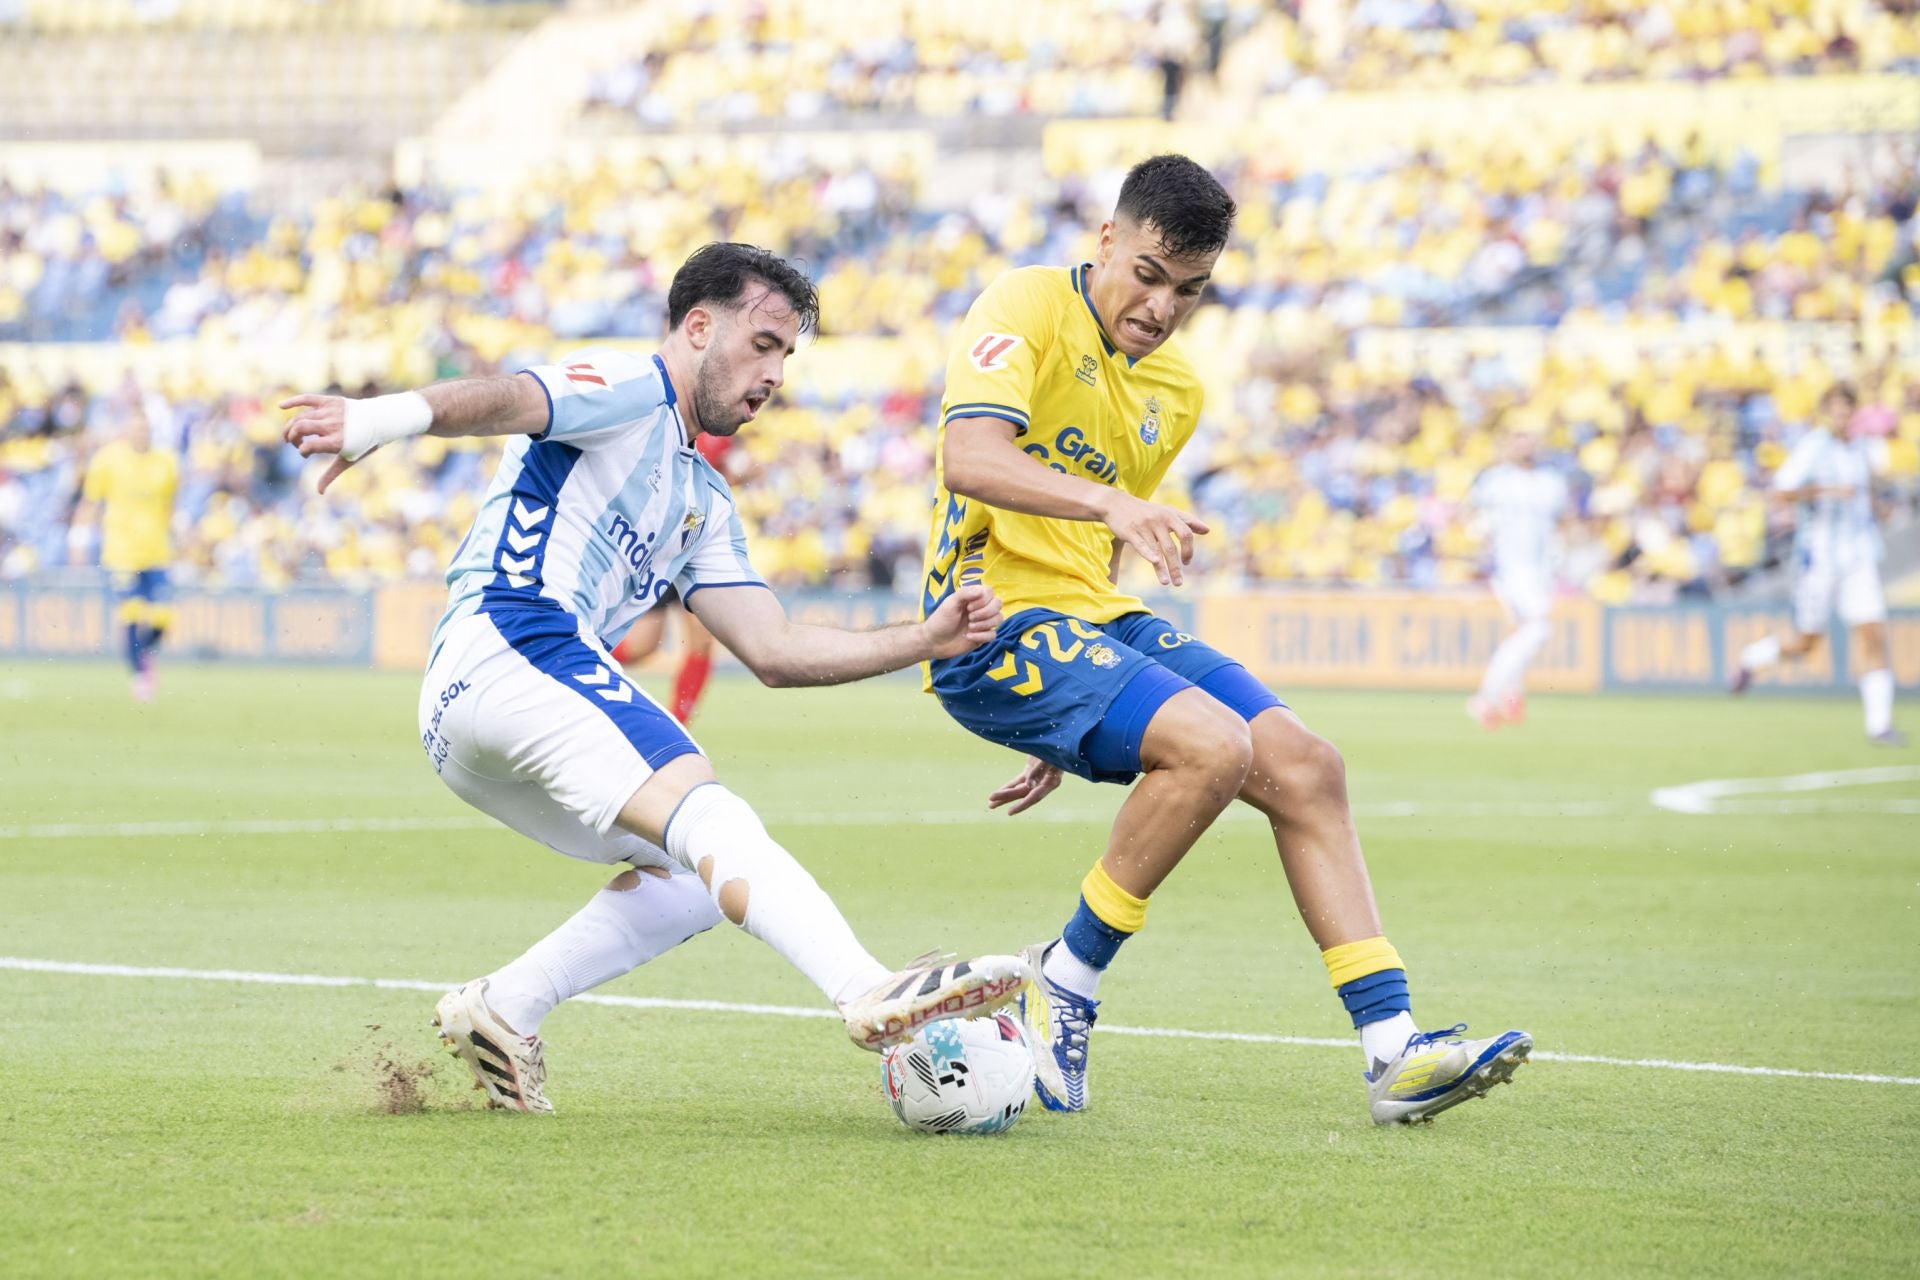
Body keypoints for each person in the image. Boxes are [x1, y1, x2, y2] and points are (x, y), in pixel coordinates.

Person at [282, 243, 1027, 1114]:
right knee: (706, 807)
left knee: (695, 873)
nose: (775, 373)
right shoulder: (632, 384)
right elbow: (516, 397)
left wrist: (925, 640)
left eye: (787, 355)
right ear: (698, 327)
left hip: (475, 720)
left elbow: (775, 649)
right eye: (763, 344)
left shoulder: (702, 499)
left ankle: (505, 1008)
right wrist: (385, 418)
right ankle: (864, 987)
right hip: (515, 638)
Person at [920, 154, 1530, 1125]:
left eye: (1190, 290)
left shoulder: (1175, 390)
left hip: (1087, 621)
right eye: (1148, 275)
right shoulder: (1025, 303)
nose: (1162, 308)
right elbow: (970, 456)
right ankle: (1064, 978)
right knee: (1215, 744)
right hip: (986, 626)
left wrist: (1078, 710)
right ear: (1107, 240)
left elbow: (1089, 543)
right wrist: (1113, 507)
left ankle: (1393, 1050)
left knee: (1307, 766)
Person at [1731, 383, 1905, 746]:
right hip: (1820, 558)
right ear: (1827, 412)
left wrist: (1879, 507)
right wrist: (1825, 491)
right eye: (1835, 408)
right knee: (1807, 642)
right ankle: (1752, 658)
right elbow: (1780, 492)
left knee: (1873, 634)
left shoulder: (1862, 449)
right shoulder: (1814, 447)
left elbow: (1867, 491)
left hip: (1858, 556)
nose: (1841, 415)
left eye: (1847, 408)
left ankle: (1880, 725)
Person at [610, 432, 734, 722]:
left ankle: (679, 722)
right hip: (662, 543)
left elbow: (716, 478)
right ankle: (573, 663)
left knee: (702, 641)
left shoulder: (721, 429)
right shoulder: (676, 426)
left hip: (694, 543)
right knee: (643, 646)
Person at [70, 406, 177, 702]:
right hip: (121, 552)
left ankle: (142, 656)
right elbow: (91, 502)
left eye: (145, 429)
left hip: (157, 551)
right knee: (131, 613)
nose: (140, 434)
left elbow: (169, 505)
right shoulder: (107, 460)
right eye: (135, 429)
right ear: (126, 431)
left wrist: (178, 539)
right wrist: (78, 539)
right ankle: (140, 677)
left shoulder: (166, 462)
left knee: (163, 618)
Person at [1465, 429, 1570, 729]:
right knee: (1538, 627)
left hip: (1541, 568)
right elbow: (1473, 515)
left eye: (1531, 441)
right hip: (1510, 566)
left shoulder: (1551, 482)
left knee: (1527, 630)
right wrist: (1480, 548)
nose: (1525, 447)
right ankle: (1486, 696)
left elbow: (1562, 522)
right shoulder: (1496, 480)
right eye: (1519, 441)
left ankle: (1511, 692)